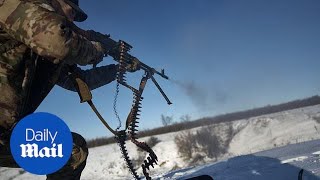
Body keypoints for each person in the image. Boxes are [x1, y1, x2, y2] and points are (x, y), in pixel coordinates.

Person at [0, 0, 136, 179]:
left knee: (71, 151)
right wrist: (99, 48)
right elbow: (59, 41)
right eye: (71, 11)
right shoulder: (12, 6)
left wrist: (118, 70)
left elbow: (81, 81)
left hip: (5, 134)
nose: (73, 19)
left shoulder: (44, 53)